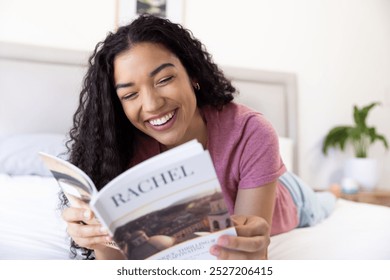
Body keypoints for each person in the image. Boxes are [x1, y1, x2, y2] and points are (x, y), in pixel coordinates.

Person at [62, 14, 336, 260]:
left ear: (192, 74)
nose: (152, 105)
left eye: (164, 79)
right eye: (130, 95)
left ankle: (331, 192)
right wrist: (94, 238)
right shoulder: (118, 152)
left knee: (322, 202)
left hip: (290, 197)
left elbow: (249, 258)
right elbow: (116, 265)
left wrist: (254, 251)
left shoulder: (252, 132)